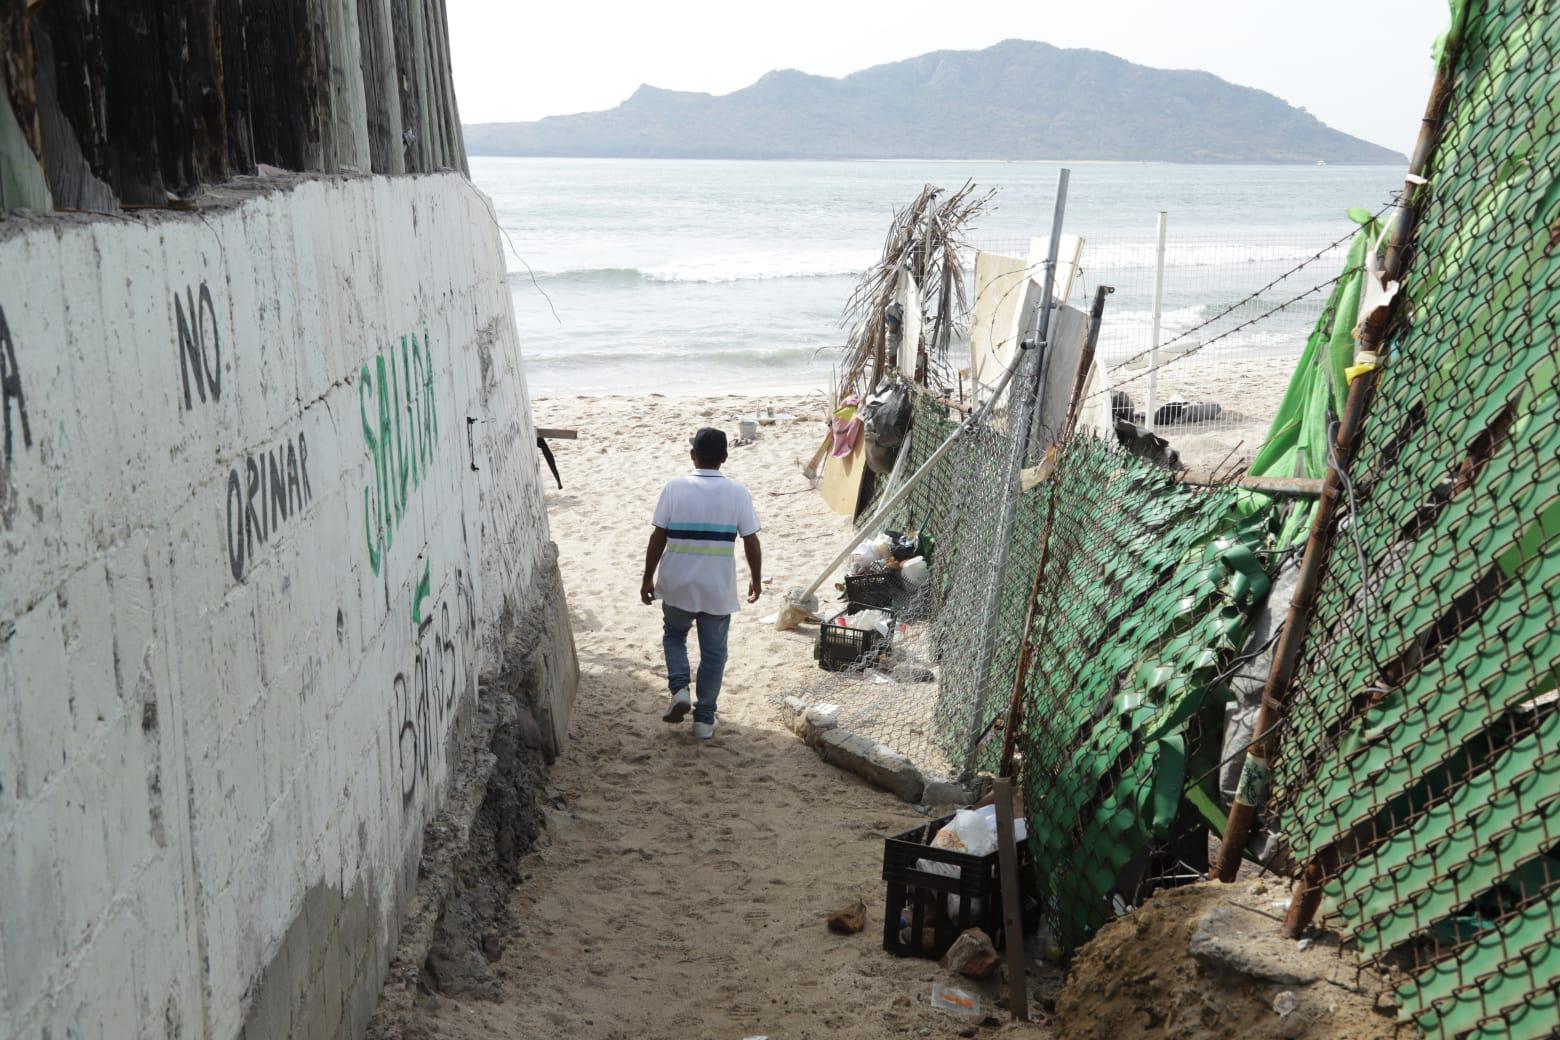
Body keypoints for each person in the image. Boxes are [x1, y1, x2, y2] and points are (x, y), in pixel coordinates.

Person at [640, 428, 762, 740]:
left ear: (692, 455)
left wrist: (647, 577)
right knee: (714, 653)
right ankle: (704, 720)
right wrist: (755, 579)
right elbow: (751, 540)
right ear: (724, 457)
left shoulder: (674, 487)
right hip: (716, 589)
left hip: (677, 583)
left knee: (674, 635)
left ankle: (680, 687)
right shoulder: (738, 493)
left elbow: (658, 537)